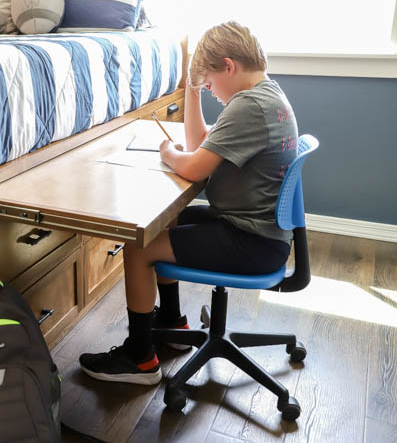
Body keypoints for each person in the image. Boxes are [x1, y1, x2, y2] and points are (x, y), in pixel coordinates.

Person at [79, 21, 299, 385]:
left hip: (252, 242)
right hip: (257, 231)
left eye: (211, 84)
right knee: (166, 224)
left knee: (139, 247)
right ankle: (171, 321)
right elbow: (200, 143)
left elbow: (194, 167)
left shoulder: (249, 107)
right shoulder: (267, 95)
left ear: (229, 66)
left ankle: (140, 359)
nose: (211, 92)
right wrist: (193, 91)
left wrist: (167, 151)